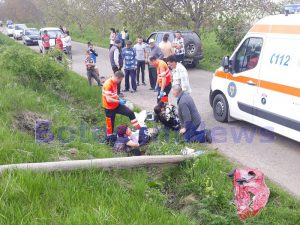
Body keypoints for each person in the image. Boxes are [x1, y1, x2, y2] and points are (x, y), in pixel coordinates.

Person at [102, 71, 141, 142]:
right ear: (117, 78)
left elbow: (114, 94)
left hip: (116, 105)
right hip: (109, 108)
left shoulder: (115, 83)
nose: (120, 81)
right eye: (121, 80)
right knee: (110, 125)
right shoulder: (108, 84)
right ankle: (108, 140)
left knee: (130, 113)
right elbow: (108, 99)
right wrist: (119, 101)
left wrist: (119, 99)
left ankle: (138, 128)